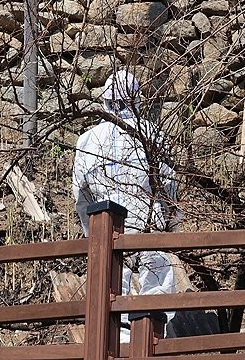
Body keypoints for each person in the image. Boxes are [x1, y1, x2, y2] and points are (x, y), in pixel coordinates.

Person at [72, 70, 177, 332]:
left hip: (108, 226)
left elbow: (81, 196)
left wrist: (92, 231)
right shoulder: (152, 135)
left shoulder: (88, 140)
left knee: (112, 290)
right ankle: (153, 342)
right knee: (157, 287)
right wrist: (171, 224)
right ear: (137, 99)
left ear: (105, 99)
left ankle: (118, 344)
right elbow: (168, 185)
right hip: (149, 221)